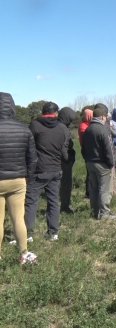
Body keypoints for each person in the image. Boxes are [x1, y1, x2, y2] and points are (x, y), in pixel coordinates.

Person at [0, 92, 38, 264]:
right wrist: (28, 178)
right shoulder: (24, 129)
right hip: (18, 180)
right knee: (18, 218)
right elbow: (32, 158)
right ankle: (24, 253)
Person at [25, 101, 70, 241]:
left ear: (43, 112)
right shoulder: (63, 128)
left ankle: (28, 233)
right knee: (53, 201)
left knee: (31, 202)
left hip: (38, 170)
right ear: (56, 113)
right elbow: (65, 151)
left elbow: (28, 147)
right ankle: (53, 232)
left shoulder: (35, 125)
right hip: (56, 169)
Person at [82, 103, 116, 220]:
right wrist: (111, 163)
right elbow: (108, 149)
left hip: (90, 163)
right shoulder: (103, 129)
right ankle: (104, 214)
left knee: (93, 188)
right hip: (102, 164)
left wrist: (87, 160)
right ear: (102, 117)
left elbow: (83, 148)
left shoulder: (88, 129)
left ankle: (94, 211)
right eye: (106, 116)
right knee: (104, 189)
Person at [58, 107, 77, 213]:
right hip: (64, 161)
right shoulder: (63, 129)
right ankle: (65, 206)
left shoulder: (57, 125)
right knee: (66, 184)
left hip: (56, 160)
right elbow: (64, 147)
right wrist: (68, 159)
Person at [78, 107, 93, 198]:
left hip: (89, 150)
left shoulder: (89, 124)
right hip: (87, 150)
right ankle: (88, 192)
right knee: (90, 172)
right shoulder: (83, 125)